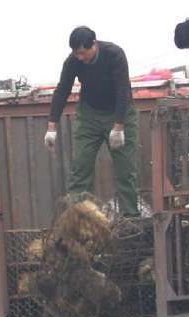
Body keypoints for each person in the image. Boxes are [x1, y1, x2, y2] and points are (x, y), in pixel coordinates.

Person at [44, 26, 139, 217]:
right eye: (75, 53)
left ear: (93, 44)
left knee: (125, 169)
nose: (80, 57)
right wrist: (51, 126)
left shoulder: (115, 55)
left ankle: (131, 217)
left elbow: (123, 90)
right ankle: (77, 219)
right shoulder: (73, 62)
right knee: (80, 167)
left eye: (82, 52)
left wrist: (119, 126)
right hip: (89, 115)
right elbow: (62, 90)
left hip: (119, 112)